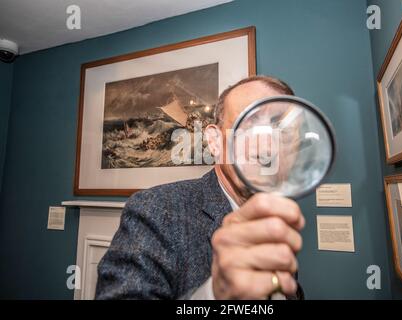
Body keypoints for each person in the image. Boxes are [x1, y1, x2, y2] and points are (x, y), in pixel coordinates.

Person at [95, 75, 305, 300]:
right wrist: (214, 295)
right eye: (248, 125)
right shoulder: (156, 210)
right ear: (215, 142)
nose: (267, 146)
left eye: (281, 131)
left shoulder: (277, 223)